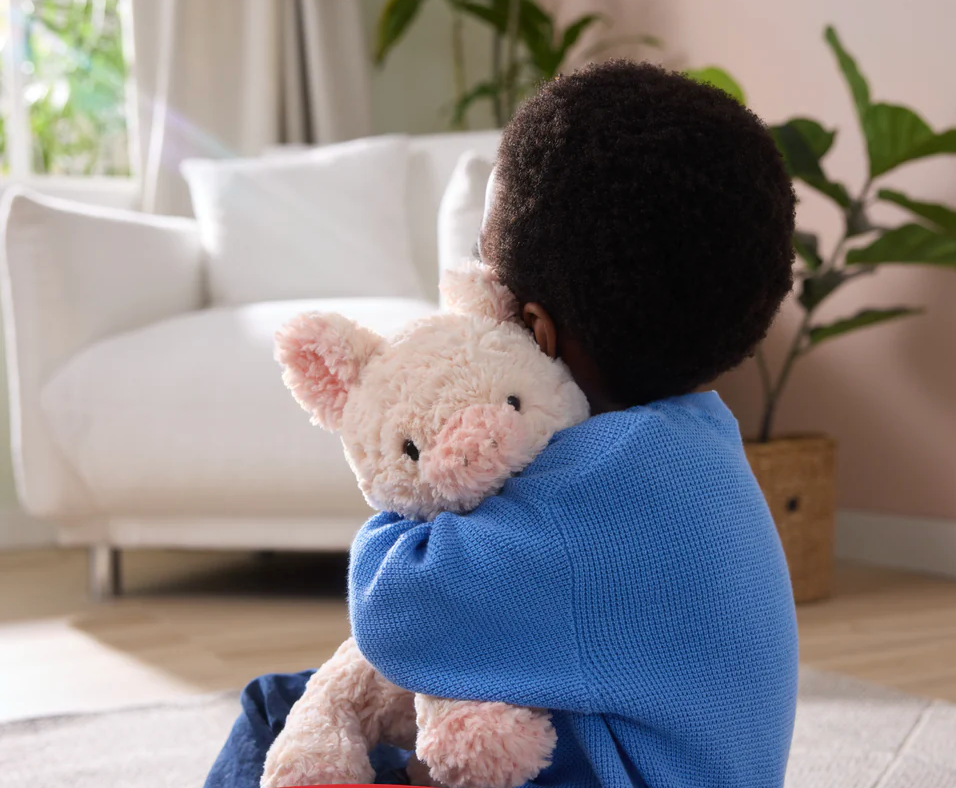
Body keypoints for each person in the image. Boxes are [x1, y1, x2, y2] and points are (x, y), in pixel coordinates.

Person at [205, 59, 799, 788]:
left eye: (486, 267)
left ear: (536, 331)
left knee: (273, 712)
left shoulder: (586, 500)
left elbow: (392, 612)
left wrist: (413, 483)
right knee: (336, 708)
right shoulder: (695, 446)